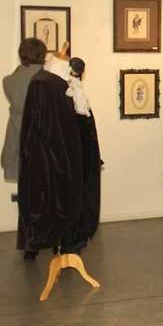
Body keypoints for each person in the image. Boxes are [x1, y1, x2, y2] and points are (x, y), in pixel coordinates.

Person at [18, 45, 85, 259]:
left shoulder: (65, 80)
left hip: (65, 153)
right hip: (46, 155)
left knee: (65, 198)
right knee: (43, 199)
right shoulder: (42, 83)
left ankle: (65, 242)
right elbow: (39, 126)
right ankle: (39, 242)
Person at [67, 57, 103, 242]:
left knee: (81, 193)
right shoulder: (75, 96)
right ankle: (78, 233)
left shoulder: (76, 96)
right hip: (80, 156)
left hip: (81, 156)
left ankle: (79, 233)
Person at [1, 38, 46, 182]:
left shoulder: (8, 81)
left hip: (16, 144)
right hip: (43, 145)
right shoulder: (48, 81)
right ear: (42, 55)